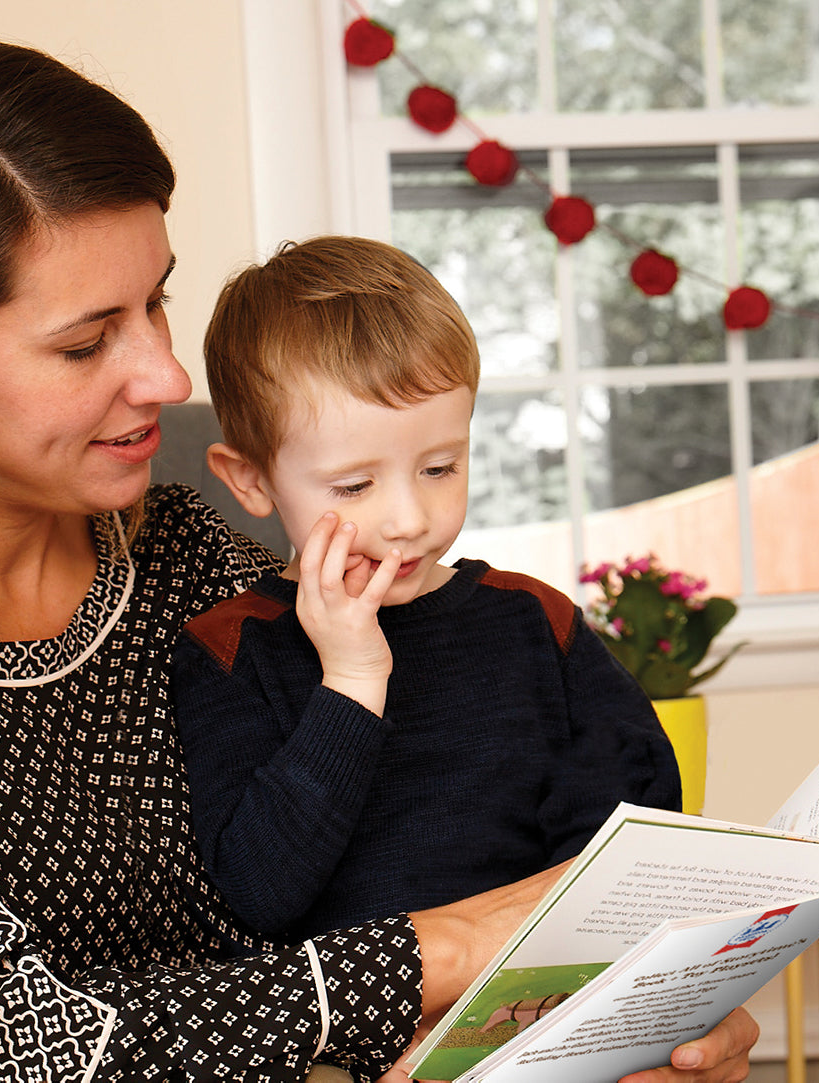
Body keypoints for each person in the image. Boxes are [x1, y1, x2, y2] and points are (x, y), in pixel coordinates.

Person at [0, 34, 757, 1083]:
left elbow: (378, 870)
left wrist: (621, 1021)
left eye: (156, 299)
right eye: (84, 341)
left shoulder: (198, 568)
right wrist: (459, 947)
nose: (162, 372)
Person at [172, 235, 682, 944]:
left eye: (440, 467)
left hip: (530, 1010)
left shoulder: (534, 620)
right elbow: (259, 891)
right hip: (347, 1040)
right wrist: (351, 679)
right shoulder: (226, 651)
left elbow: (632, 832)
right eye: (354, 485)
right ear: (251, 480)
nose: (409, 519)